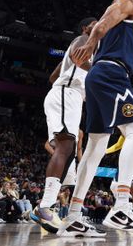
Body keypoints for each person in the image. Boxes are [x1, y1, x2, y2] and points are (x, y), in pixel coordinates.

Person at [58, 0, 133, 237]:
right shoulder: (127, 1)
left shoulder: (124, 14)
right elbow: (101, 24)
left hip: (99, 76)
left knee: (95, 147)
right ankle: (121, 205)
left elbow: (102, 33)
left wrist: (90, 56)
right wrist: (89, 44)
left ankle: (73, 216)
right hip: (113, 74)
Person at [35, 17, 96, 233]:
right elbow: (78, 59)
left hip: (69, 97)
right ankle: (44, 207)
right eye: (94, 24)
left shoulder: (87, 48)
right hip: (66, 95)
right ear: (85, 28)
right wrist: (100, 73)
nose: (98, 26)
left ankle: (45, 206)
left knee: (68, 152)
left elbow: (53, 76)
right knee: (64, 149)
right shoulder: (84, 40)